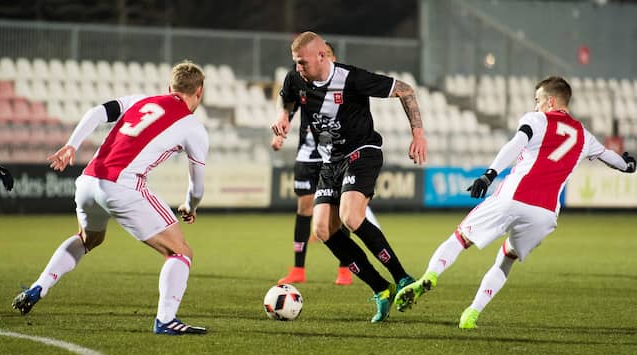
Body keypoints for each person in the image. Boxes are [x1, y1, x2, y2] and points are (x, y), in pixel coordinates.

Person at [394, 76, 636, 329]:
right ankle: (471, 314)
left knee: (460, 238)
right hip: (545, 214)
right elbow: (614, 159)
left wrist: (489, 175)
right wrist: (629, 165)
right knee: (506, 257)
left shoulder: (537, 119)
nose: (535, 106)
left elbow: (515, 144)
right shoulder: (584, 136)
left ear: (550, 101)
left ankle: (430, 276)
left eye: (537, 100)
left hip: (513, 197)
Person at [12, 60, 210, 335]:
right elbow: (197, 187)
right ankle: (166, 319)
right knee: (180, 251)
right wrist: (191, 205)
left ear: (169, 87)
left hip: (88, 181)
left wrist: (72, 144)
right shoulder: (193, 127)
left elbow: (97, 112)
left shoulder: (142, 100)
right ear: (199, 91)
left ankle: (40, 286)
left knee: (88, 239)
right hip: (122, 186)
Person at [271, 31, 428, 323]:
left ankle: (402, 278)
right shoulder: (295, 78)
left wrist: (418, 134)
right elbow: (287, 98)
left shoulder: (352, 78)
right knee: (321, 229)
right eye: (295, 62)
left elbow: (405, 90)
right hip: (330, 162)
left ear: (322, 56)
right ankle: (381, 288)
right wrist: (283, 116)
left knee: (351, 217)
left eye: (302, 62)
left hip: (362, 152)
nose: (298, 68)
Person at [272, 41, 381, 286]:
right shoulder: (302, 81)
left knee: (341, 213)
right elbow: (288, 104)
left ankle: (344, 268)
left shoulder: (340, 83)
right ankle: (298, 268)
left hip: (336, 156)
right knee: (304, 208)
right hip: (307, 154)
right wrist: (280, 131)